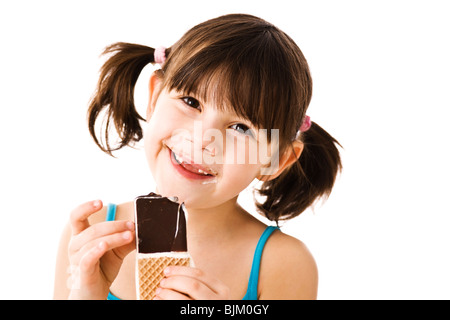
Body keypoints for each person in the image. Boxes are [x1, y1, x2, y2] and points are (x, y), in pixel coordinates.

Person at [53, 13, 342, 300]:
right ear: (155, 98)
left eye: (241, 127)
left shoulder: (283, 263)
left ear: (275, 159)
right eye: (191, 102)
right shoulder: (93, 235)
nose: (203, 139)